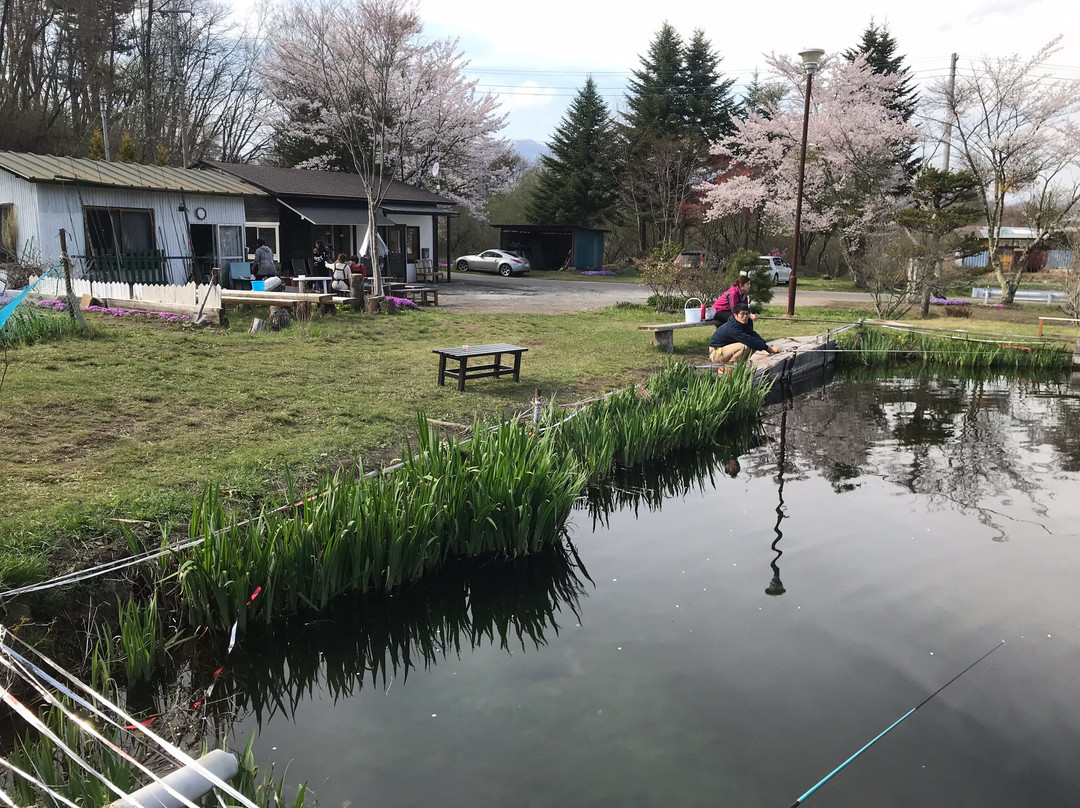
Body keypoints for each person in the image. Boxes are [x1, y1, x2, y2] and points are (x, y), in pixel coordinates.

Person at [708, 303, 781, 367]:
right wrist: (768, 349)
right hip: (716, 352)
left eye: (747, 314)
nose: (745, 316)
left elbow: (753, 334)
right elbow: (748, 339)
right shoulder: (732, 328)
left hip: (725, 350)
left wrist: (765, 345)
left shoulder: (741, 323)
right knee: (744, 347)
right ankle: (729, 368)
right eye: (742, 314)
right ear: (735, 315)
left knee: (755, 345)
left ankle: (741, 365)